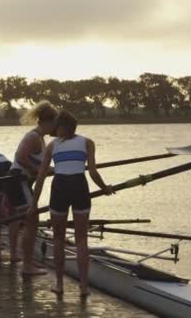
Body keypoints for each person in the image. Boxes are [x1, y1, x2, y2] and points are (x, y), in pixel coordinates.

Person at [28, 110, 114, 296]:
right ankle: (83, 287)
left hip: (59, 188)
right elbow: (92, 173)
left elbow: (41, 177)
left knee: (58, 239)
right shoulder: (87, 142)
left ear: (62, 128)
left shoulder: (52, 146)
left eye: (57, 127)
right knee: (82, 239)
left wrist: (33, 206)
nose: (55, 131)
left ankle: (59, 284)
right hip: (79, 187)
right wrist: (105, 188)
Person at [5, 100, 58, 276]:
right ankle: (27, 266)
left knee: (23, 220)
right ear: (47, 122)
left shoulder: (40, 138)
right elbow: (21, 158)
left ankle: (20, 258)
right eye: (54, 124)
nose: (55, 128)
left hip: (21, 182)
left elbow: (36, 163)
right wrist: (40, 171)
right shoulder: (33, 137)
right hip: (18, 181)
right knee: (32, 220)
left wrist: (51, 170)